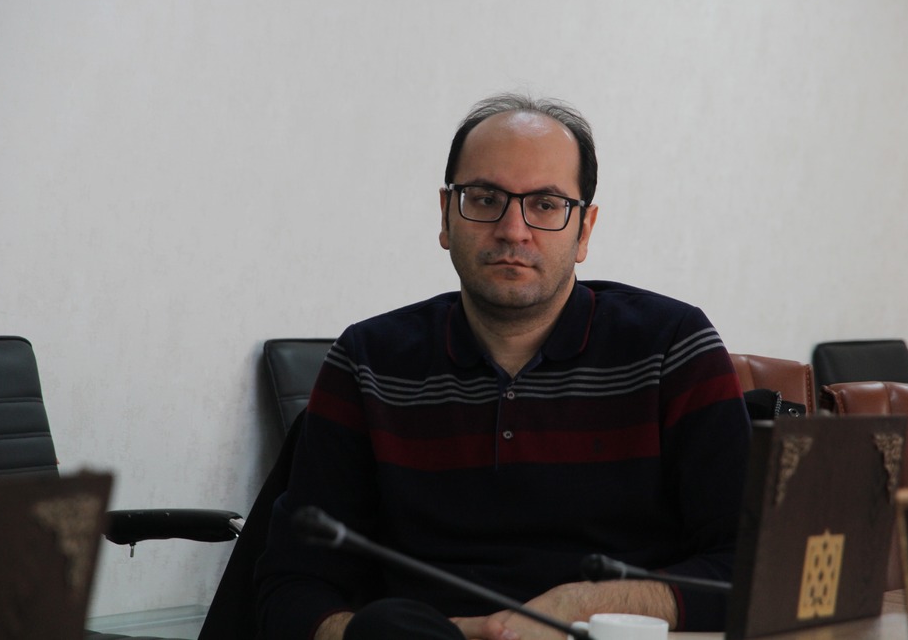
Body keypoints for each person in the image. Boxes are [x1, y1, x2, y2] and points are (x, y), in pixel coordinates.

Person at [255, 94, 751, 640]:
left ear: (584, 230)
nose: (514, 230)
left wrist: (584, 607)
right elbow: (289, 587)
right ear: (446, 215)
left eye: (546, 204)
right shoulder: (367, 361)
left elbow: (754, 571)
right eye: (486, 198)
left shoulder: (672, 346)